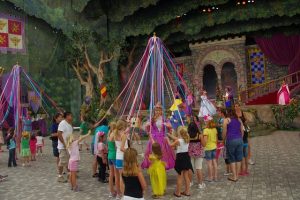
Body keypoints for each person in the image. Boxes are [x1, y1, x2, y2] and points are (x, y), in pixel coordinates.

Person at [141, 102, 175, 170]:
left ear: (161, 111)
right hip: (154, 138)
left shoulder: (164, 119)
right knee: (153, 153)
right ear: (154, 111)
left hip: (162, 138)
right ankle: (154, 167)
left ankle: (161, 167)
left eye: (159, 110)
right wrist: (148, 125)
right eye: (156, 110)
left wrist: (168, 125)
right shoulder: (152, 119)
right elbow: (147, 129)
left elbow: (170, 127)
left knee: (163, 153)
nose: (158, 112)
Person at [167, 126, 193, 198]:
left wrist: (167, 139)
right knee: (186, 176)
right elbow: (177, 139)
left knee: (179, 176)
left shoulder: (178, 141)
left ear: (180, 133)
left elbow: (170, 145)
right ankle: (187, 192)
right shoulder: (187, 139)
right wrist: (170, 135)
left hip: (180, 158)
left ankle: (178, 193)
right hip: (186, 157)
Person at [222, 109, 244, 182]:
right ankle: (237, 175)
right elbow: (242, 130)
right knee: (238, 158)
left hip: (231, 140)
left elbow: (224, 132)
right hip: (239, 140)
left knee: (232, 158)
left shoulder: (226, 120)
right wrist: (241, 138)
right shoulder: (239, 119)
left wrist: (223, 140)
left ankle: (234, 177)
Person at [187, 120, 206, 189]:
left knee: (190, 169)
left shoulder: (188, 135)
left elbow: (186, 144)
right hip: (199, 154)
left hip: (190, 154)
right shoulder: (200, 135)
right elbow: (204, 145)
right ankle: (200, 184)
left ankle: (190, 182)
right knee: (199, 168)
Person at [57, 112, 73, 183]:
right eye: (70, 116)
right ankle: (60, 176)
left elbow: (70, 135)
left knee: (68, 160)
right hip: (63, 146)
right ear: (67, 116)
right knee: (62, 161)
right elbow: (59, 133)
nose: (72, 117)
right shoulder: (62, 123)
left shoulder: (69, 124)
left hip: (68, 146)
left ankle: (70, 174)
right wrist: (64, 143)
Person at [203, 117, 218, 182]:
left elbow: (205, 141)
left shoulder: (205, 130)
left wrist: (203, 146)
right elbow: (216, 139)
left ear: (207, 122)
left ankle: (210, 177)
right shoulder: (215, 129)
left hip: (208, 148)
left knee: (209, 163)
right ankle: (215, 177)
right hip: (214, 147)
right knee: (214, 162)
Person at [107, 122, 119, 198]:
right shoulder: (114, 135)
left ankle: (111, 191)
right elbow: (116, 147)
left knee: (111, 175)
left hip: (109, 156)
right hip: (114, 156)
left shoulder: (109, 134)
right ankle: (118, 192)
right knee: (117, 175)